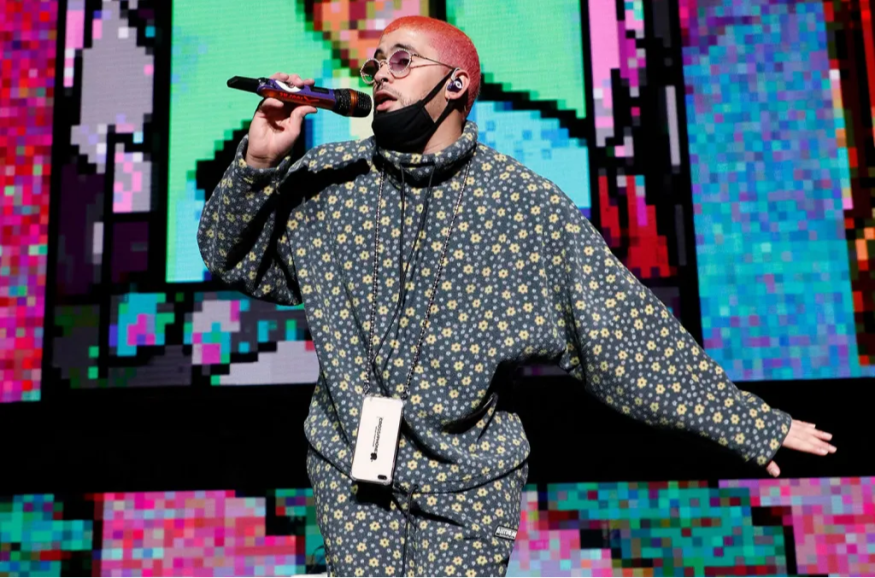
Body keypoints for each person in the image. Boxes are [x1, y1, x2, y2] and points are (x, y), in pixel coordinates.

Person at [197, 15, 835, 577]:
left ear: (456, 84)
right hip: (351, 476)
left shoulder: (522, 206)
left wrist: (750, 423)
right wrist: (259, 164)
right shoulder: (327, 181)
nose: (380, 74)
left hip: (467, 485)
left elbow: (623, 333)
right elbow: (232, 257)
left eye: (402, 61)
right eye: (375, 64)